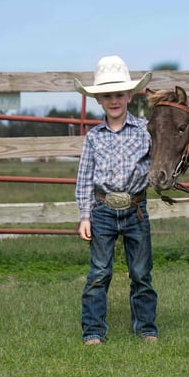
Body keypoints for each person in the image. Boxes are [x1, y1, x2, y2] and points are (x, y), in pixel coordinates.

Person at [73, 55, 158, 345]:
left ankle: (146, 327)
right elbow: (85, 178)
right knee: (99, 272)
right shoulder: (94, 137)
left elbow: (157, 163)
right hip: (103, 209)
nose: (114, 101)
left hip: (135, 209)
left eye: (119, 94)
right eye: (107, 96)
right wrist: (85, 216)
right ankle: (93, 330)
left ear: (129, 96)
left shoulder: (146, 131)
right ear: (98, 100)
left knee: (141, 272)